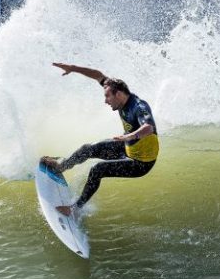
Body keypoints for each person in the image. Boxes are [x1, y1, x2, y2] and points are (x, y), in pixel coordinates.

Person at [42, 62, 158, 217]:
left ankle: (75, 209)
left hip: (141, 163)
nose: (105, 101)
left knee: (98, 169)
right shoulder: (116, 92)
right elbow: (98, 75)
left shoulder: (139, 106)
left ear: (118, 94)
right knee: (88, 148)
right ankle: (61, 166)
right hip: (128, 147)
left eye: (107, 96)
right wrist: (73, 68)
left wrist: (130, 136)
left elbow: (149, 128)